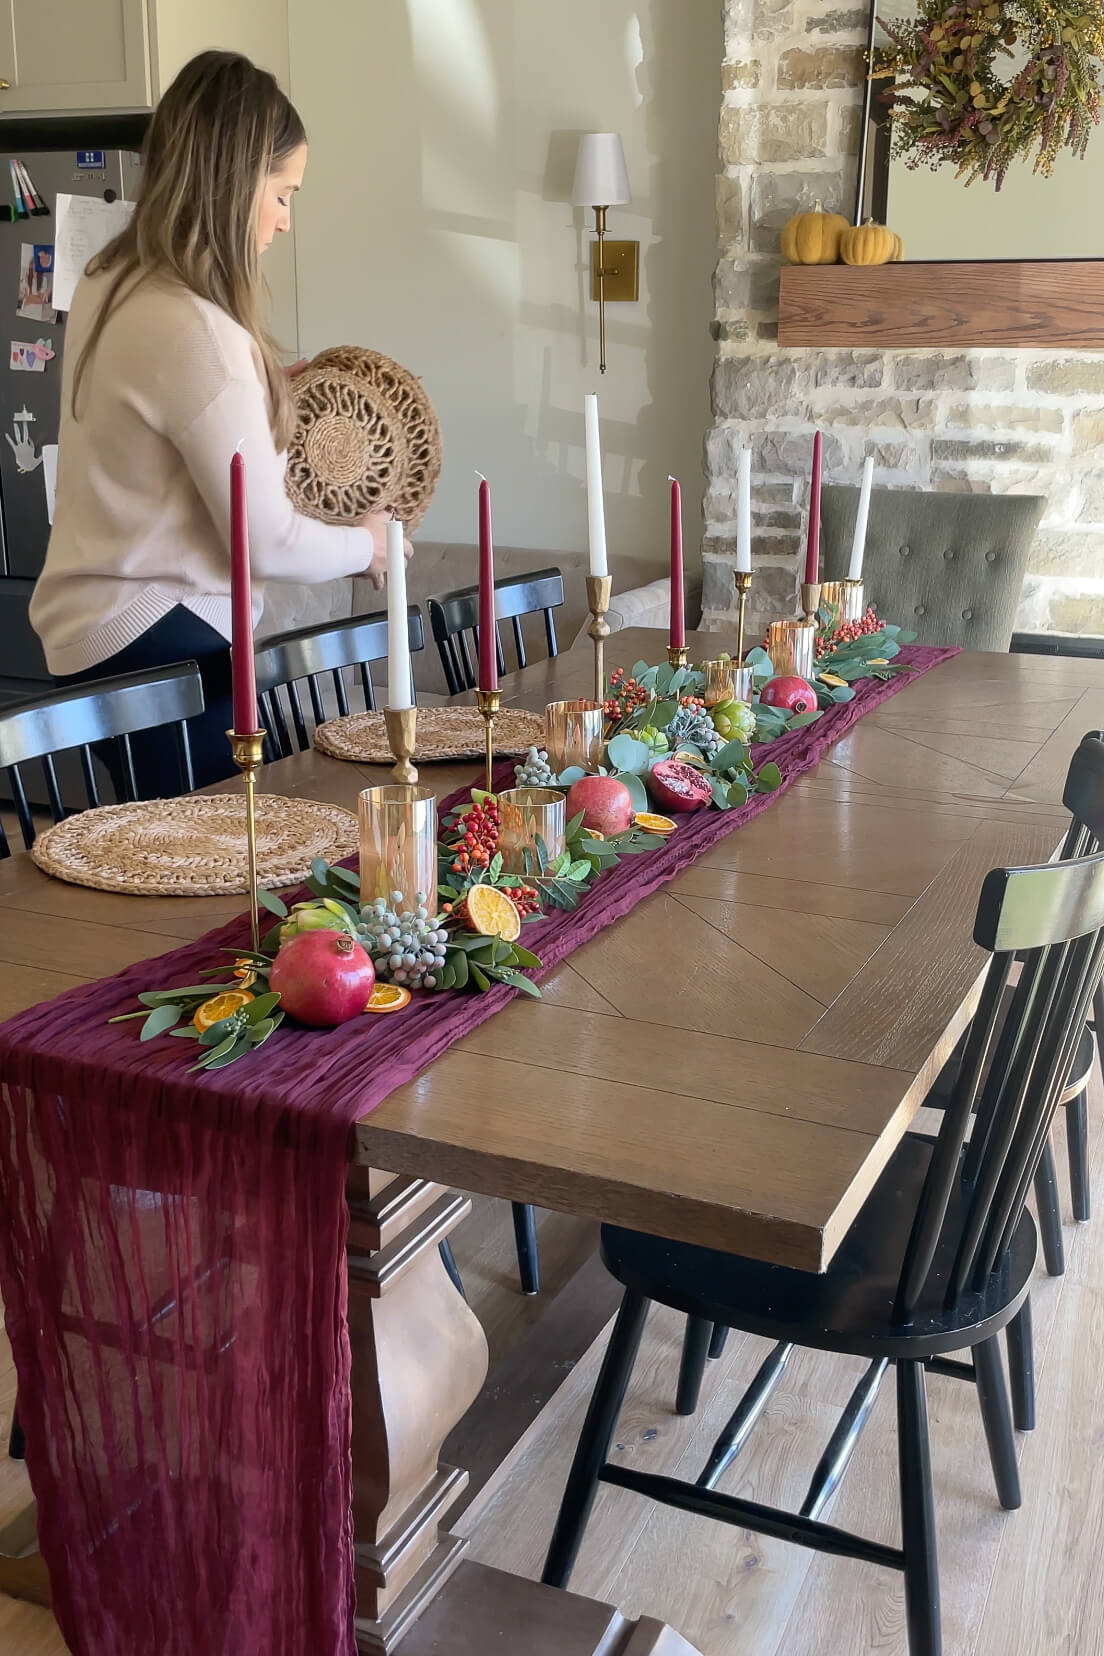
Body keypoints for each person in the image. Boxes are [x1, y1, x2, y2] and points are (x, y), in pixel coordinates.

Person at [30, 50, 400, 792]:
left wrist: (252, 402)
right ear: (236, 182)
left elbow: (159, 442)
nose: (287, 221)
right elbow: (265, 542)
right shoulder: (197, 330)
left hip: (95, 629)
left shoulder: (111, 279)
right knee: (252, 856)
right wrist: (370, 543)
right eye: (285, 193)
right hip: (156, 636)